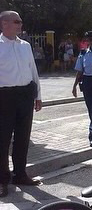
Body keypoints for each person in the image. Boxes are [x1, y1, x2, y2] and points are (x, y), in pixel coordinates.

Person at [0, 11, 42, 198]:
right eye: (16, 21)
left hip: (25, 95)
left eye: (20, 21)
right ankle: (2, 180)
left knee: (23, 137)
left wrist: (38, 96)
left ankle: (20, 174)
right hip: (4, 97)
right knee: (2, 140)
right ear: (4, 24)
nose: (20, 24)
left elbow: (32, 69)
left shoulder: (25, 46)